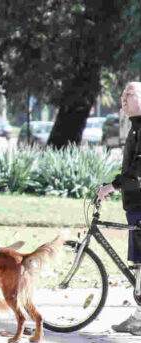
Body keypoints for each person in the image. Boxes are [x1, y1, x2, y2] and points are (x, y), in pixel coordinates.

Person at [98, 81, 141, 335]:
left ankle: (138, 319)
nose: (124, 98)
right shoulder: (136, 127)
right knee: (138, 261)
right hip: (135, 204)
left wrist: (112, 187)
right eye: (123, 94)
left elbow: (137, 171)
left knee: (140, 261)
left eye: (130, 93)